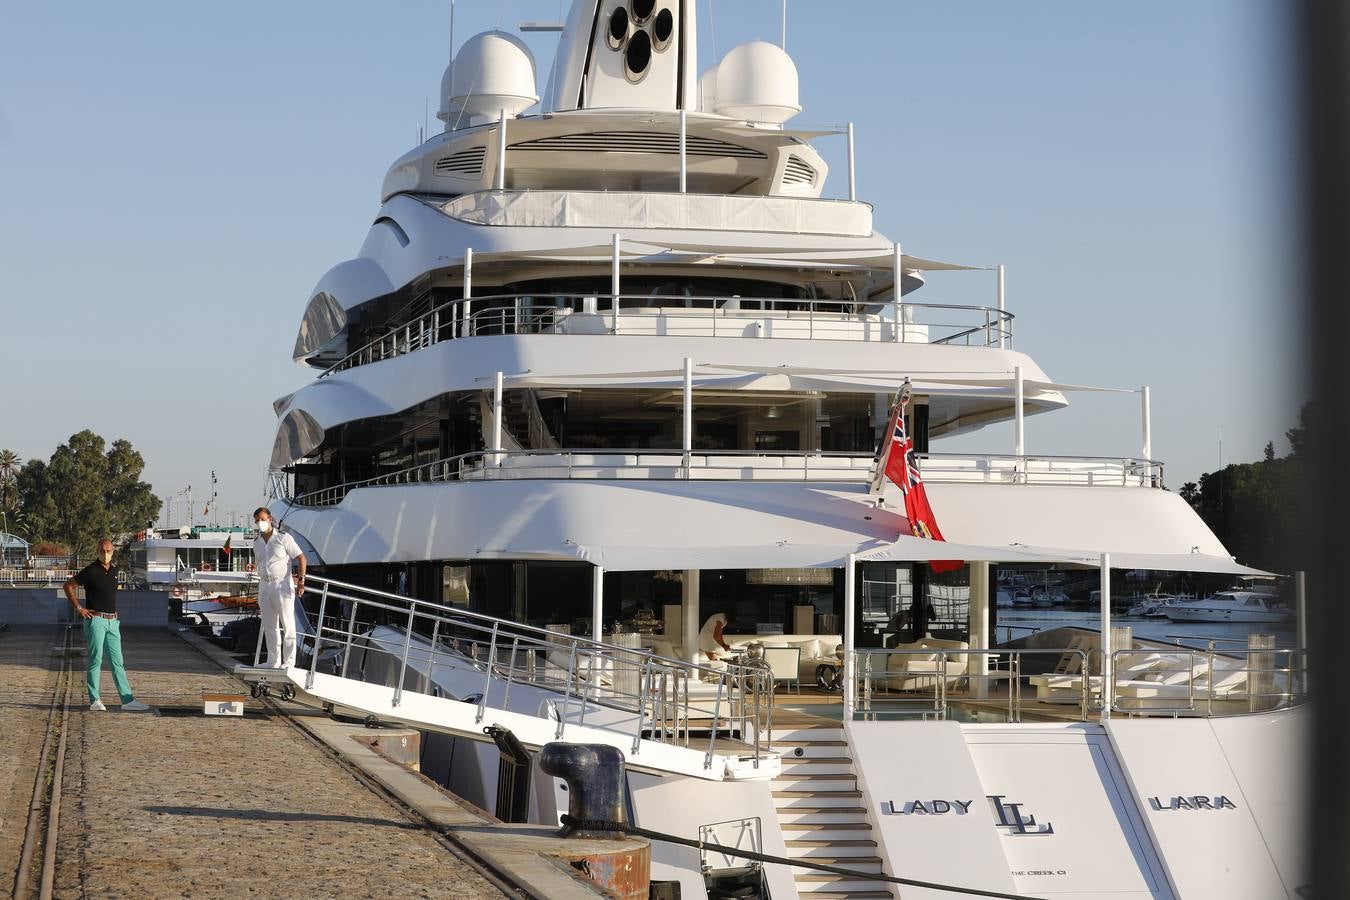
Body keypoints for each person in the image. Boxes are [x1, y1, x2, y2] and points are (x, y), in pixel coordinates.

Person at [64, 539, 150, 711]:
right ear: (97, 551)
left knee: (118, 662)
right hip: (96, 620)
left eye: (108, 551)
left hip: (113, 622)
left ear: (113, 552)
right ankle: (94, 700)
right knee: (96, 660)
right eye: (102, 551)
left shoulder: (115, 571)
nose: (105, 554)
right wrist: (79, 608)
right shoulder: (90, 571)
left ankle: (127, 701)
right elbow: (68, 586)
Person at [252, 506, 306, 668]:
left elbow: (301, 558)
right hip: (264, 584)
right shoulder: (257, 542)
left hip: (282, 583)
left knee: (287, 624)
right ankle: (273, 661)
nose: (260, 523)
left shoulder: (283, 538)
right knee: (269, 626)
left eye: (262, 519)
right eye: (256, 520)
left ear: (270, 519)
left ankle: (289, 662)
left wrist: (301, 580)